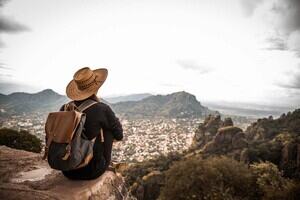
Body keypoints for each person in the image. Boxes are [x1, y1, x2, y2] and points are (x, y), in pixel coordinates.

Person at [61, 67, 123, 180]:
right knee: (108, 128)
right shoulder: (102, 109)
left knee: (103, 124)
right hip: (91, 170)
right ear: (96, 87)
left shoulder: (65, 108)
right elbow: (119, 135)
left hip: (67, 169)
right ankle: (100, 160)